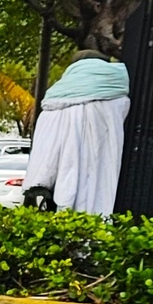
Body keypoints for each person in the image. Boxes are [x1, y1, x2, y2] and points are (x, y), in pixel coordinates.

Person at [23, 52, 130, 216]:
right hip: (107, 173)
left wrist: (39, 181)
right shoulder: (117, 93)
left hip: (60, 181)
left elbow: (44, 149)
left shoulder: (53, 101)